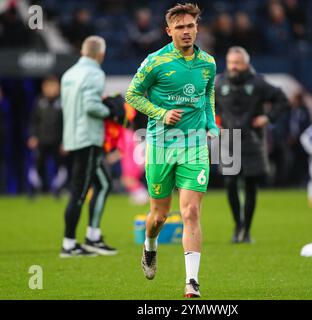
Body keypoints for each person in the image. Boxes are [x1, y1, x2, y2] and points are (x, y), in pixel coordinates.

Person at [126, 3, 219, 298]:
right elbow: (132, 94)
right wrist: (160, 113)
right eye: (179, 27)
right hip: (161, 146)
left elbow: (207, 95)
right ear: (169, 31)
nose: (186, 31)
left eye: (190, 26)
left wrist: (211, 124)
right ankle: (149, 247)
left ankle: (192, 283)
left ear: (197, 28)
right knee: (159, 217)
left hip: (194, 146)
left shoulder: (209, 63)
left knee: (190, 212)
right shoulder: (155, 62)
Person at [215, 46, 289, 243]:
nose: (234, 67)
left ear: (246, 64)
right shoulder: (218, 83)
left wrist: (268, 117)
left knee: (250, 186)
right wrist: (212, 123)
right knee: (230, 184)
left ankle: (246, 230)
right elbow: (206, 106)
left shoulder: (259, 83)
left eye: (237, 63)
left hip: (252, 141)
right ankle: (237, 225)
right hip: (229, 141)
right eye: (231, 63)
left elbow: (282, 100)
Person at [60, 36, 123, 257]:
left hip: (74, 136)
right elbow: (90, 106)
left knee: (103, 183)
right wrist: (111, 111)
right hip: (88, 138)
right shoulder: (95, 72)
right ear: (101, 54)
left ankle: (93, 237)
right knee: (79, 191)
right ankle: (69, 244)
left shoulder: (69, 73)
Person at [27, 76, 67, 196]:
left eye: (53, 86)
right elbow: (33, 121)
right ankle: (35, 190)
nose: (50, 89)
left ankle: (58, 190)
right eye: (48, 86)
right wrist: (32, 136)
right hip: (42, 140)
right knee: (37, 165)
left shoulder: (62, 103)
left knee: (60, 166)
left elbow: (66, 123)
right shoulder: (39, 102)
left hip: (57, 140)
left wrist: (65, 142)